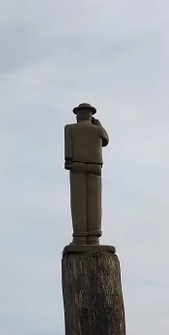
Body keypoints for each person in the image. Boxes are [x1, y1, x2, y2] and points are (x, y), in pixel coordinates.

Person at [64, 103, 109, 245]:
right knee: (94, 201)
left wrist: (68, 161)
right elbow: (105, 140)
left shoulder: (70, 128)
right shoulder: (97, 130)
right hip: (95, 166)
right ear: (91, 115)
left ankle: (80, 236)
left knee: (78, 201)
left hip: (77, 165)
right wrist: (98, 124)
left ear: (78, 115)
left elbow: (68, 148)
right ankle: (93, 237)